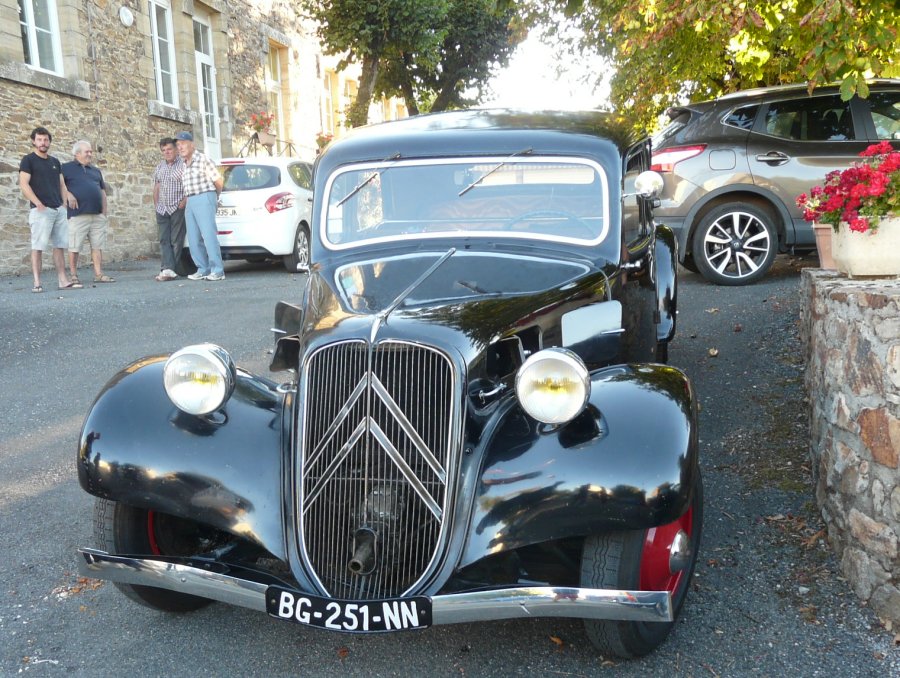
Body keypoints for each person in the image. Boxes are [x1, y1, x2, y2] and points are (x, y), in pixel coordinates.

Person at [18, 127, 82, 292]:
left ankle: (63, 280)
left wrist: (64, 205)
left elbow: (62, 184)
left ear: (49, 142)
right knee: (38, 247)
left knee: (59, 246)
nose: (43, 143)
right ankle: (37, 283)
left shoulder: (55, 162)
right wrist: (37, 203)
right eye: (39, 140)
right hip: (40, 210)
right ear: (33, 141)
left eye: (46, 140)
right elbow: (24, 184)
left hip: (58, 209)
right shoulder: (28, 160)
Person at [175, 131, 225, 281]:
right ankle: (203, 269)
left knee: (209, 235)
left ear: (192, 144)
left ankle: (218, 270)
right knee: (193, 237)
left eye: (183, 144)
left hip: (205, 196)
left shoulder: (203, 159)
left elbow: (218, 181)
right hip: (190, 200)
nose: (180, 147)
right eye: (178, 145)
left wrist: (213, 197)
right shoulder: (183, 163)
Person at [63, 140, 115, 284]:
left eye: (91, 151)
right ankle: (73, 275)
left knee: (97, 246)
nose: (90, 154)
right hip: (77, 214)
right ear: (77, 153)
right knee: (74, 247)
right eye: (87, 152)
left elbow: (102, 191)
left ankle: (98, 274)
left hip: (97, 215)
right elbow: (58, 185)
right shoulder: (66, 168)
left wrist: (104, 212)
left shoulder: (95, 170)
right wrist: (68, 194)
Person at [152, 137, 186, 281]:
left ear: (176, 149)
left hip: (177, 207)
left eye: (169, 149)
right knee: (163, 239)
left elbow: (189, 184)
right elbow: (157, 186)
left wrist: (184, 201)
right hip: (162, 209)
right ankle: (167, 268)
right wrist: (156, 204)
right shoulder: (160, 167)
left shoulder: (183, 165)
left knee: (176, 240)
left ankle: (170, 269)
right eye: (164, 150)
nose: (167, 152)